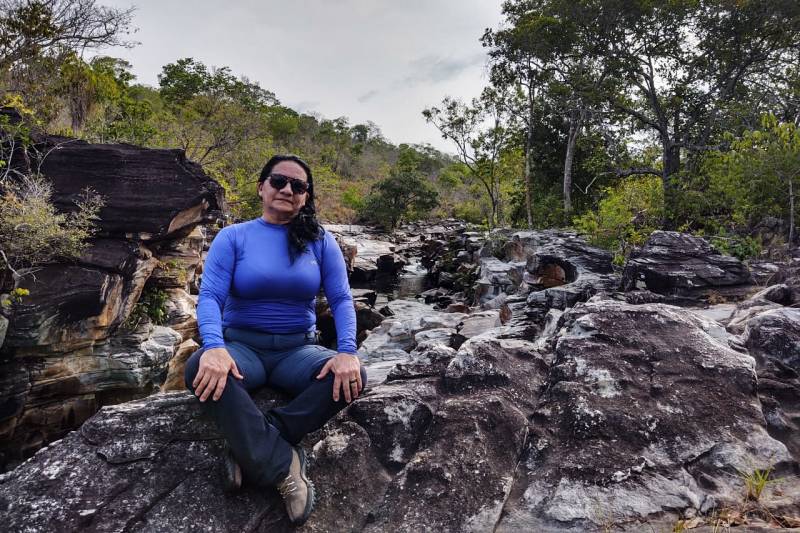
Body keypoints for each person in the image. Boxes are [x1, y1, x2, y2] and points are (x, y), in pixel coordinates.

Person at [184, 154, 366, 525]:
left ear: (305, 196)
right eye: (279, 181)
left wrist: (347, 351)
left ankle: (250, 442)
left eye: (298, 186)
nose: (287, 190)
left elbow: (342, 299)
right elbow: (211, 297)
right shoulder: (233, 237)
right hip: (242, 347)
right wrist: (215, 347)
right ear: (262, 187)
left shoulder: (320, 241)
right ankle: (284, 465)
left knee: (350, 378)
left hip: (297, 350)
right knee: (198, 369)